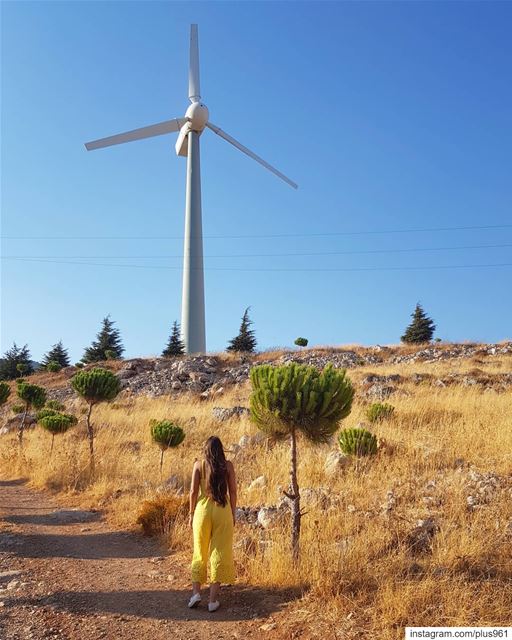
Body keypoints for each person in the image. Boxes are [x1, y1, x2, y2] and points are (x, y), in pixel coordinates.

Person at [188, 435, 236, 612]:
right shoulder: (228, 466)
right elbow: (233, 491)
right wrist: (233, 512)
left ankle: (195, 594)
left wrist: (191, 513)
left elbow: (193, 492)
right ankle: (213, 601)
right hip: (222, 508)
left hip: (202, 509)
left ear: (205, 450)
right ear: (221, 450)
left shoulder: (198, 465)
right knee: (219, 551)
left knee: (199, 551)